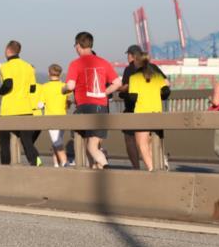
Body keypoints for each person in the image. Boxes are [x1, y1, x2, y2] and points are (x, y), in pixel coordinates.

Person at [63, 31, 121, 169]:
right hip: (101, 107)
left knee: (83, 143)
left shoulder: (75, 63)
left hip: (84, 107)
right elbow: (117, 83)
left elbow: (70, 86)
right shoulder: (104, 62)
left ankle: (105, 166)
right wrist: (103, 93)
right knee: (93, 145)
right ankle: (99, 168)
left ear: (78, 45)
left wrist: (63, 90)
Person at [119, 45, 168, 169]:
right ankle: (161, 164)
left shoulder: (133, 77)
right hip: (157, 111)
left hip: (140, 113)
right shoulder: (157, 74)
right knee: (154, 142)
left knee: (141, 144)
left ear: (134, 58)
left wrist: (124, 92)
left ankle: (151, 169)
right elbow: (166, 91)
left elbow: (132, 97)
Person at [0, 40, 40, 166]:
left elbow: (8, 84)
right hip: (26, 109)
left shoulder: (6, 66)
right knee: (27, 142)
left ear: (8, 50)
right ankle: (37, 163)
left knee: (4, 142)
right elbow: (33, 88)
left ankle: (5, 168)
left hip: (9, 110)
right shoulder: (28, 67)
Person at [37, 64, 69, 167]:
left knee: (56, 141)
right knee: (57, 140)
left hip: (50, 118)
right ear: (60, 73)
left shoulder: (44, 87)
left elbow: (40, 104)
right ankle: (56, 163)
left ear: (48, 73)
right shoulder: (64, 85)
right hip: (63, 117)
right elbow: (68, 101)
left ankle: (64, 162)